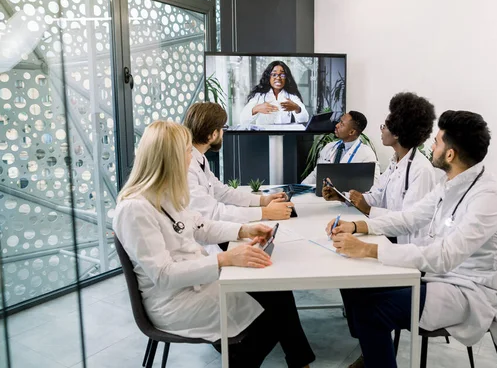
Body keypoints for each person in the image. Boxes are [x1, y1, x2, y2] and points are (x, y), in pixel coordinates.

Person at [114, 121, 315, 368]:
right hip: (174, 300)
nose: (192, 158)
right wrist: (225, 259)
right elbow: (164, 275)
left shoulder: (166, 194)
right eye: (188, 151)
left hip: (195, 284)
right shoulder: (135, 209)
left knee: (276, 293)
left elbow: (201, 226)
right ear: (171, 158)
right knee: (271, 320)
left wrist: (245, 229)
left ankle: (297, 362)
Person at [326, 111, 497, 368]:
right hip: (439, 276)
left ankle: (374, 357)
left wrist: (368, 249)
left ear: (450, 155)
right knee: (358, 286)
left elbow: (445, 257)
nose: (431, 146)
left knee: (372, 312)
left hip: (469, 290)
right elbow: (409, 217)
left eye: (436, 142)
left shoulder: (490, 197)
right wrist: (357, 225)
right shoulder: (450, 183)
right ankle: (373, 357)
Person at [323, 93, 437, 245]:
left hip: (409, 247)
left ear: (396, 133)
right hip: (388, 236)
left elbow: (409, 220)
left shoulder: (421, 170)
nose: (381, 130)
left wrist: (369, 210)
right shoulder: (395, 162)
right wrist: (342, 197)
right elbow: (376, 196)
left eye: (384, 126)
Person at [184, 102, 294, 224]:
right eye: (222, 128)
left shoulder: (199, 158)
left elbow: (222, 193)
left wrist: (263, 200)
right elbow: (213, 213)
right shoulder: (187, 166)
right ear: (213, 135)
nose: (223, 133)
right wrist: (265, 212)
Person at [302, 111, 380, 185]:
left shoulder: (367, 155)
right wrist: (300, 187)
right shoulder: (329, 147)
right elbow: (316, 174)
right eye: (339, 121)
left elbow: (374, 184)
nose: (337, 125)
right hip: (323, 195)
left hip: (347, 197)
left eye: (342, 124)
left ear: (352, 132)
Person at [240, 60, 309, 126]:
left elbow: (305, 119)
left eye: (282, 75)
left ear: (286, 78)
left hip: (285, 135)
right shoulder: (259, 95)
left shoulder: (291, 95)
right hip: (263, 136)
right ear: (268, 77)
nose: (278, 78)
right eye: (274, 74)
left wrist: (297, 108)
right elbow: (243, 120)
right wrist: (256, 109)